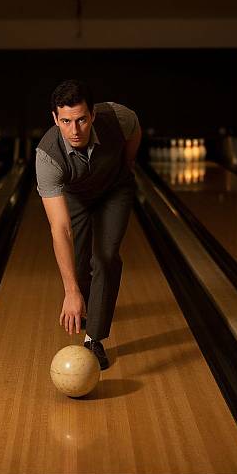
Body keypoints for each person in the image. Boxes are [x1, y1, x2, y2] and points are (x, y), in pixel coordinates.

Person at [35, 80, 141, 369]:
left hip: (115, 189)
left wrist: (128, 165)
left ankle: (94, 338)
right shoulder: (47, 156)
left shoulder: (118, 118)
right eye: (66, 121)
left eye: (81, 119)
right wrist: (70, 291)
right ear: (55, 119)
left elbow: (135, 130)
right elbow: (61, 229)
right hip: (76, 196)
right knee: (78, 265)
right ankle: (82, 302)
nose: (75, 130)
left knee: (105, 258)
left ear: (92, 114)